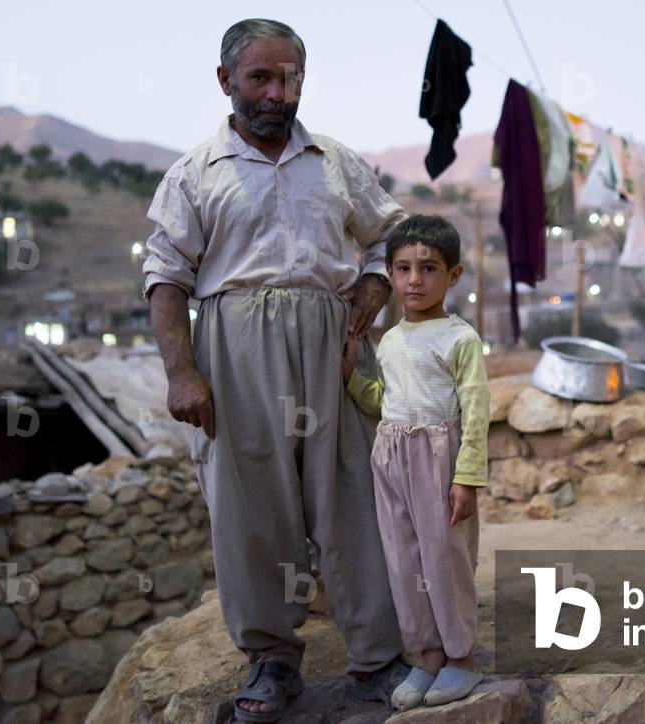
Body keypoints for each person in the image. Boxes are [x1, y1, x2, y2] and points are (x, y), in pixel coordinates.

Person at [142, 19, 410, 721]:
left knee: (353, 498)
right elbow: (166, 277)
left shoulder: (335, 161)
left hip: (333, 339)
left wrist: (375, 285)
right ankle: (270, 661)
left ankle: (378, 660)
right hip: (234, 347)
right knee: (250, 510)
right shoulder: (195, 173)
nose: (276, 92)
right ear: (226, 80)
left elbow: (389, 236)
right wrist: (181, 372)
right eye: (261, 77)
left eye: (289, 77)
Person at [342, 215, 489, 711]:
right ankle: (428, 656)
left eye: (428, 268)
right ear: (389, 274)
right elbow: (384, 398)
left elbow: (476, 411)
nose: (414, 280)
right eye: (402, 269)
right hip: (391, 455)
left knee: (444, 559)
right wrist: (352, 381)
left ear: (454, 275)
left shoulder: (459, 338)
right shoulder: (391, 340)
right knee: (404, 559)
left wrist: (467, 477)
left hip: (438, 457)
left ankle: (461, 659)